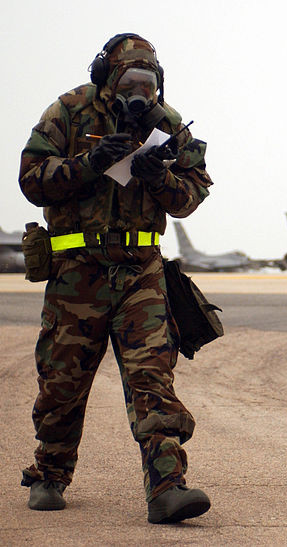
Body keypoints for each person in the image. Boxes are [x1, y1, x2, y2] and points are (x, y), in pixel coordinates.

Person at [18, 33, 213, 524]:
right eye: (130, 80)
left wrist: (158, 176)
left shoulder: (168, 126)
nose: (139, 91)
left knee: (153, 376)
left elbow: (190, 196)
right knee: (63, 378)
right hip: (75, 273)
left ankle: (168, 487)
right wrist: (93, 161)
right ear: (106, 78)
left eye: (149, 82)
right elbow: (31, 179)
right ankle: (49, 473)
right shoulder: (69, 111)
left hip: (139, 273)